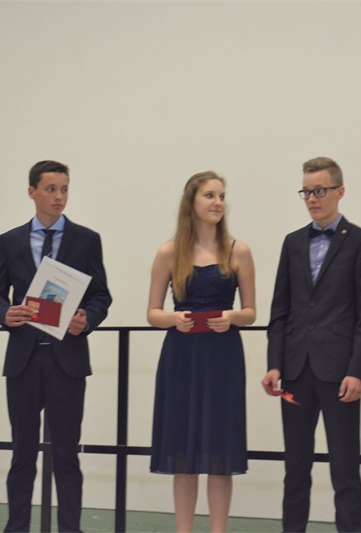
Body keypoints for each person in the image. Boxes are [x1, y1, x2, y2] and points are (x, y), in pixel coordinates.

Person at [0, 160, 112, 533]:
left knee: (67, 456)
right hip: (23, 361)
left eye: (65, 189)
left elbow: (101, 296)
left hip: (66, 360)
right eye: (51, 189)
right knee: (22, 455)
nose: (59, 197)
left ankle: (70, 528)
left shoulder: (86, 239)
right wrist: (5, 313)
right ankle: (17, 528)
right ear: (32, 192)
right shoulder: (10, 241)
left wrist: (87, 319)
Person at [262, 156, 361, 533]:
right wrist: (274, 363)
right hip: (295, 371)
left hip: (339, 373)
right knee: (295, 468)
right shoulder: (292, 242)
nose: (312, 199)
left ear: (339, 192)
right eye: (306, 192)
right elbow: (280, 310)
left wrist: (358, 371)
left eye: (319, 191)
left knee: (345, 469)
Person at [147, 171, 256, 533]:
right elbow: (152, 313)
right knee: (184, 453)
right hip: (181, 356)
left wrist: (232, 316)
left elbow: (251, 312)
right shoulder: (168, 252)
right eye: (210, 195)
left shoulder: (238, 250)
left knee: (221, 453)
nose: (218, 202)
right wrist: (173, 318)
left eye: (222, 196)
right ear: (191, 202)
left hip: (223, 357)